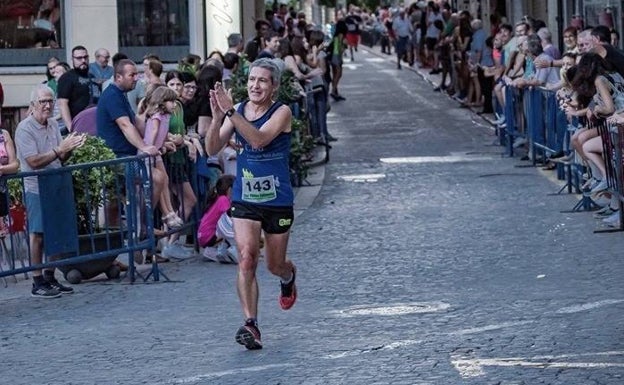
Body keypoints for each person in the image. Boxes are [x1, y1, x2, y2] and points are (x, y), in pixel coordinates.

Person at [206, 58, 297, 350]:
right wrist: (219, 117)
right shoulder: (239, 110)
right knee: (246, 256)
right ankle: (251, 325)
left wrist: (231, 111)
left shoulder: (281, 112)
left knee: (274, 265)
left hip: (277, 199)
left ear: (274, 87)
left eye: (262, 81)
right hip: (245, 196)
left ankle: (288, 275)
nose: (255, 86)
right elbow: (211, 148)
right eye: (251, 80)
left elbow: (257, 140)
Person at [15, 84, 85, 298]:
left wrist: (71, 148)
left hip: (56, 182)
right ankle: (37, 281)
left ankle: (50, 276)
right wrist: (59, 149)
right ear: (33, 105)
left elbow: (60, 157)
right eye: (43, 101)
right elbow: (33, 161)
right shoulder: (24, 128)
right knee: (38, 233)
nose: (47, 105)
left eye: (50, 101)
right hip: (36, 186)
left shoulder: (54, 124)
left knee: (55, 231)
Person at [138, 85, 185, 230]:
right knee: (160, 180)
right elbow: (153, 133)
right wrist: (151, 148)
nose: (174, 104)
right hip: (148, 154)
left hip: (156, 152)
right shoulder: (157, 116)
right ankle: (166, 213)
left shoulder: (166, 116)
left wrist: (164, 144)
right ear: (162, 102)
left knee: (165, 179)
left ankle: (169, 212)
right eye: (171, 101)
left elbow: (162, 135)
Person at [57, 45, 100, 132]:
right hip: (78, 126)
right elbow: (62, 104)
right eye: (79, 58)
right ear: (72, 59)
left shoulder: (92, 77)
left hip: (94, 125)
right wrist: (71, 129)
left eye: (85, 57)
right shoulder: (67, 78)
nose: (83, 60)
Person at [198, 175, 237, 263]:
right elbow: (230, 215)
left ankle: (216, 249)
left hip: (204, 236)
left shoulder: (217, 198)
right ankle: (223, 250)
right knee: (234, 225)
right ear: (229, 189)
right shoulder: (223, 199)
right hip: (210, 236)